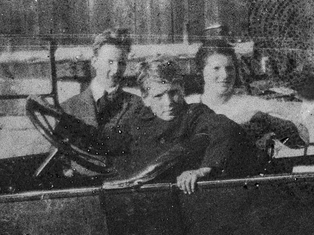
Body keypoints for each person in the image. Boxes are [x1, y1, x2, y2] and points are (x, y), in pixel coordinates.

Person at [107, 58, 256, 194]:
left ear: (182, 89)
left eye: (173, 92)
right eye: (159, 96)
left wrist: (202, 170)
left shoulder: (195, 114)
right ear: (145, 98)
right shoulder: (135, 122)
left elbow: (227, 129)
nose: (169, 102)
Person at [188, 40, 307, 150]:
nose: (225, 75)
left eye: (230, 68)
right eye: (216, 68)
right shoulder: (186, 105)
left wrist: (266, 119)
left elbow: (302, 138)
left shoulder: (253, 105)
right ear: (201, 71)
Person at [62, 28, 139, 137]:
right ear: (94, 62)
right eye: (110, 62)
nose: (116, 69)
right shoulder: (68, 108)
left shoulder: (138, 106)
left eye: (121, 63)